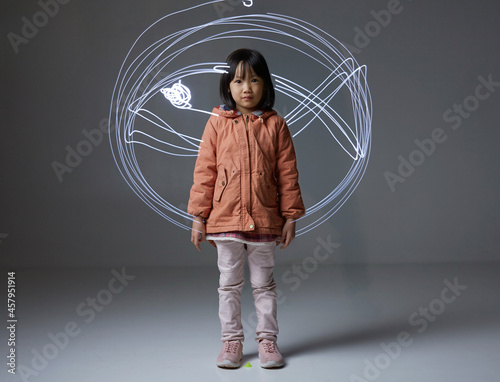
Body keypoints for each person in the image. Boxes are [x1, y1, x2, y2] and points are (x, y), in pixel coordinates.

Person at [187, 48, 305, 369]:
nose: (247, 88)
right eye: (239, 81)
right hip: (224, 220)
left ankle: (267, 341)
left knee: (264, 285)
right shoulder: (216, 122)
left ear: (266, 84)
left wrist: (291, 215)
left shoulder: (276, 125)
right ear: (228, 85)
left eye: (254, 80)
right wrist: (199, 217)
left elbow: (287, 173)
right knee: (228, 285)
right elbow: (205, 171)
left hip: (266, 220)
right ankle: (231, 342)